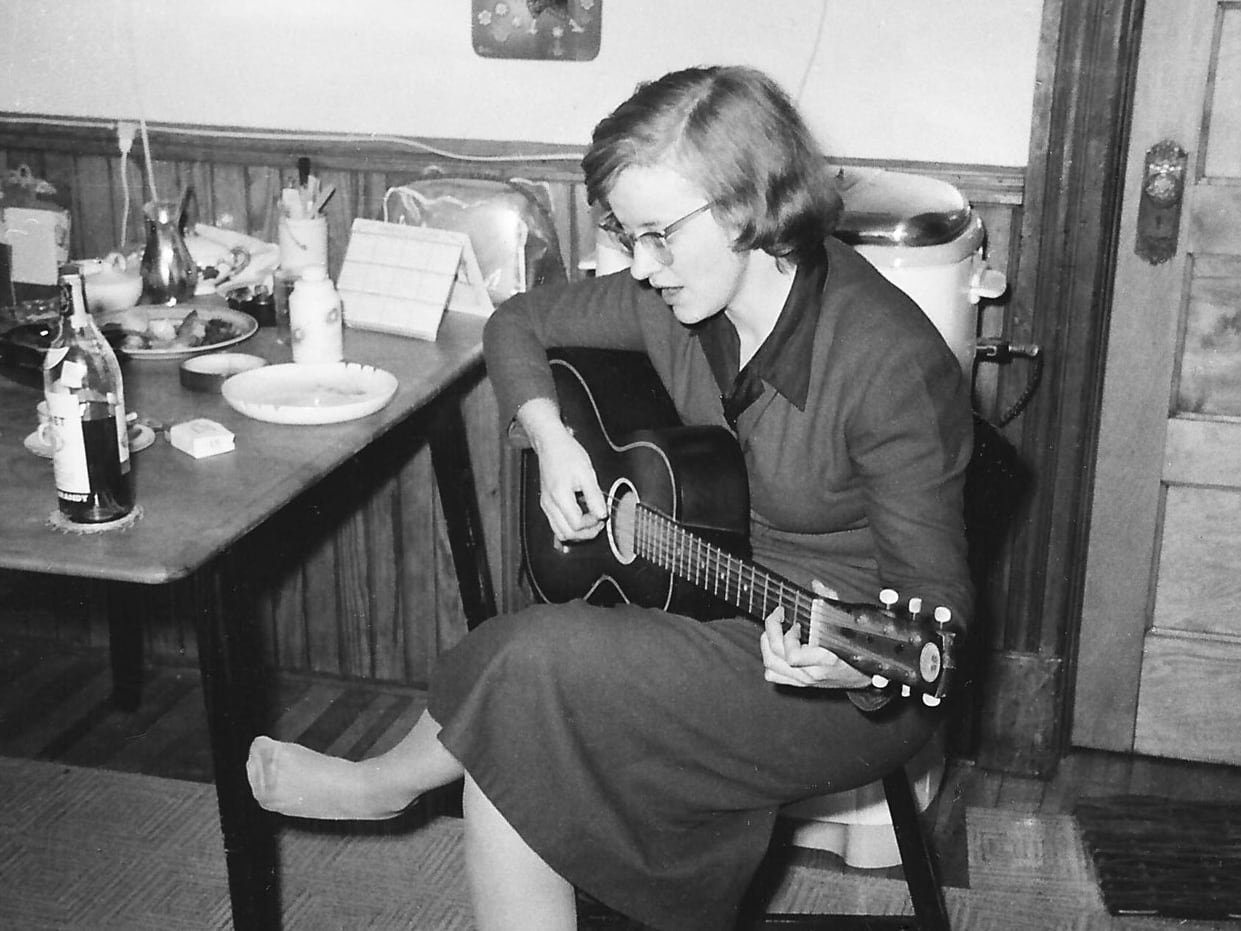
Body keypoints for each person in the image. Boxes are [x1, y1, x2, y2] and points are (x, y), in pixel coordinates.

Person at [246, 64, 973, 931]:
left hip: (831, 675)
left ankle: (390, 783)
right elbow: (518, 321)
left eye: (659, 235)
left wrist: (854, 662)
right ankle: (406, 793)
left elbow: (937, 621)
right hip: (703, 605)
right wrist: (551, 439)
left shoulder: (887, 361)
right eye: (627, 236)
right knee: (525, 709)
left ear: (747, 206)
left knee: (530, 668)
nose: (643, 265)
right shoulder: (674, 302)